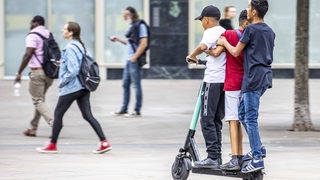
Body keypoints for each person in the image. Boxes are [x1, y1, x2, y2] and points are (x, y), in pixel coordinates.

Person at [36, 22, 112, 154]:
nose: (62, 30)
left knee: (58, 114)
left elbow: (74, 70)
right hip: (84, 86)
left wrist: (62, 82)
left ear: (71, 32)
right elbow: (79, 64)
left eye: (65, 29)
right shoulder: (81, 46)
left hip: (72, 87)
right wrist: (63, 63)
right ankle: (104, 142)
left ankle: (52, 145)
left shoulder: (70, 48)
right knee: (88, 115)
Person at [217, 0, 275, 173]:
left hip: (252, 78)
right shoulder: (270, 31)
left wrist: (224, 42)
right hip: (265, 77)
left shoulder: (250, 29)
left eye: (249, 7)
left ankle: (257, 158)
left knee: (250, 118)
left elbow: (235, 51)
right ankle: (259, 148)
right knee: (242, 113)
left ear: (254, 12)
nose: (247, 10)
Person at [208, 10, 249, 171]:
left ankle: (235, 158)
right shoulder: (250, 36)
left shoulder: (229, 34)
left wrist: (205, 51)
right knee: (242, 119)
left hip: (232, 83)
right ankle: (239, 155)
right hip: (246, 83)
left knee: (233, 121)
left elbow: (216, 52)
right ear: (246, 22)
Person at [187, 5, 226, 169]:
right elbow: (217, 56)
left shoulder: (210, 32)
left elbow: (203, 47)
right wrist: (201, 60)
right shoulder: (224, 30)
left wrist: (192, 55)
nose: (202, 24)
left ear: (207, 20)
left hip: (213, 80)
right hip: (224, 80)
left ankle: (212, 157)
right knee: (216, 119)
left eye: (202, 21)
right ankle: (217, 156)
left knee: (206, 118)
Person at [14, 15, 54, 137]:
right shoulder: (49, 34)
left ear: (35, 23)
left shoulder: (33, 35)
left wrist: (19, 73)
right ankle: (33, 128)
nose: (30, 24)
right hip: (50, 73)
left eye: (31, 22)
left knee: (37, 100)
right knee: (40, 100)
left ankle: (54, 123)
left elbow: (28, 54)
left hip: (37, 73)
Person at [110, 6, 149, 117]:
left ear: (130, 14)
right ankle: (124, 109)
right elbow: (130, 42)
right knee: (125, 84)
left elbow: (144, 43)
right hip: (129, 60)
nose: (123, 16)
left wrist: (135, 57)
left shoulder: (140, 25)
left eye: (124, 14)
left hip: (134, 60)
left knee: (136, 85)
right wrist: (117, 39)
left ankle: (137, 110)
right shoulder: (133, 26)